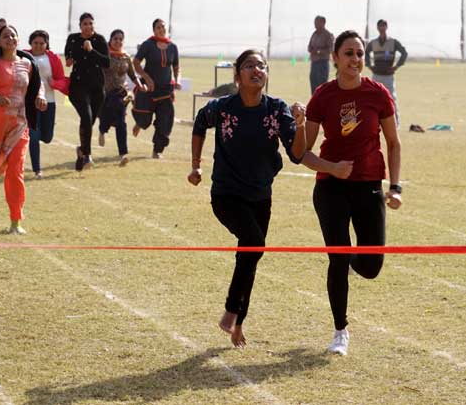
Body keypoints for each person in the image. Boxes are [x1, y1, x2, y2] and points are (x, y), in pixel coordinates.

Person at [188, 49, 306, 348]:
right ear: (237, 75)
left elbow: (296, 154)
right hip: (226, 195)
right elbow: (200, 123)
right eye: (249, 65)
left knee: (250, 254)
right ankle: (231, 309)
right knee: (254, 243)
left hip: (260, 196)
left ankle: (238, 324)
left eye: (261, 65)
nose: (257, 70)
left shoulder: (277, 109)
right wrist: (196, 165)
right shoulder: (222, 107)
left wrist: (301, 125)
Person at [302, 30, 402, 356]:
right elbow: (304, 152)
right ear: (335, 58)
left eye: (360, 53)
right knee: (338, 257)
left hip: (369, 186)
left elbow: (393, 143)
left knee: (371, 267)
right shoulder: (323, 96)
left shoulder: (378, 93)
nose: (355, 59)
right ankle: (340, 331)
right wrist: (331, 167)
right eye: (349, 53)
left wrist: (395, 187)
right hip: (330, 188)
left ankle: (347, 259)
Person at [0, 25, 47, 234]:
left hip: (19, 125)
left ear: (18, 39)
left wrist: (40, 96)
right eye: (5, 36)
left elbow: (37, 84)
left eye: (13, 35)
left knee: (15, 171)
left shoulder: (27, 63)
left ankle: (15, 220)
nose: (10, 38)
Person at [64, 12, 110, 171]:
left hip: (97, 88)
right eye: (85, 24)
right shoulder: (73, 39)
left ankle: (81, 150)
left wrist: (91, 50)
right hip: (78, 86)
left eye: (91, 23)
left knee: (88, 122)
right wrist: (69, 60)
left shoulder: (100, 40)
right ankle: (87, 156)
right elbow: (68, 58)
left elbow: (107, 62)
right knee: (86, 116)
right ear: (80, 26)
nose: (88, 26)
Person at [132, 19, 180, 158]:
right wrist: (146, 78)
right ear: (154, 30)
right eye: (158, 27)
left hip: (165, 90)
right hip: (149, 89)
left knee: (165, 121)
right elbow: (136, 62)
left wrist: (177, 80)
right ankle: (139, 124)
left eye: (163, 27)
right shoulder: (148, 44)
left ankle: (157, 150)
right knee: (144, 119)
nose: (161, 29)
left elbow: (176, 67)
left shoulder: (172, 47)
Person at [98, 29, 145, 166]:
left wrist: (140, 85)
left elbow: (132, 75)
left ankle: (123, 154)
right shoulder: (104, 55)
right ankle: (102, 130)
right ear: (110, 40)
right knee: (108, 116)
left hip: (121, 93)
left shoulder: (126, 57)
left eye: (120, 39)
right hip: (106, 93)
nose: (118, 41)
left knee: (121, 122)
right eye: (115, 39)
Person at [27, 30, 69, 179]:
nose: (38, 46)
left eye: (42, 43)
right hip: (30, 103)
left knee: (47, 137)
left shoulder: (53, 58)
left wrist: (54, 83)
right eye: (35, 43)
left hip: (49, 102)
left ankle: (37, 136)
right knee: (33, 136)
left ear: (46, 44)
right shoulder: (24, 56)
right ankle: (37, 170)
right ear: (30, 43)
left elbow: (62, 80)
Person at [366, 19, 407, 125]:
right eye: (380, 26)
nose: (381, 28)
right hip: (376, 75)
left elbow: (404, 53)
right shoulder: (373, 43)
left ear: (386, 27)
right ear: (377, 28)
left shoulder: (393, 42)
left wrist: (396, 66)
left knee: (391, 98)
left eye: (383, 26)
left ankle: (395, 123)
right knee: (374, 99)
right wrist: (369, 66)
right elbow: (366, 53)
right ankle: (375, 121)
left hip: (388, 76)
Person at [308, 15, 335, 95]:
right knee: (313, 83)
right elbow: (309, 46)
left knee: (322, 85)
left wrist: (319, 51)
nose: (315, 24)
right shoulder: (314, 34)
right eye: (315, 22)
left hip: (322, 63)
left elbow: (330, 49)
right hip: (314, 63)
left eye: (317, 22)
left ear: (323, 23)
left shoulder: (327, 35)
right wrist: (311, 49)